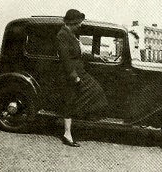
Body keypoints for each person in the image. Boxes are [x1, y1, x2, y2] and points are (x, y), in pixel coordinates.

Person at [56, 9, 108, 147]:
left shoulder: (72, 35)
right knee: (71, 100)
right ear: (72, 22)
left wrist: (95, 56)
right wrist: (74, 77)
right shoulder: (62, 35)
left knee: (95, 92)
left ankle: (77, 123)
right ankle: (67, 134)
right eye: (78, 22)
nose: (80, 25)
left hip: (79, 71)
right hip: (71, 74)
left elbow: (80, 53)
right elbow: (65, 59)